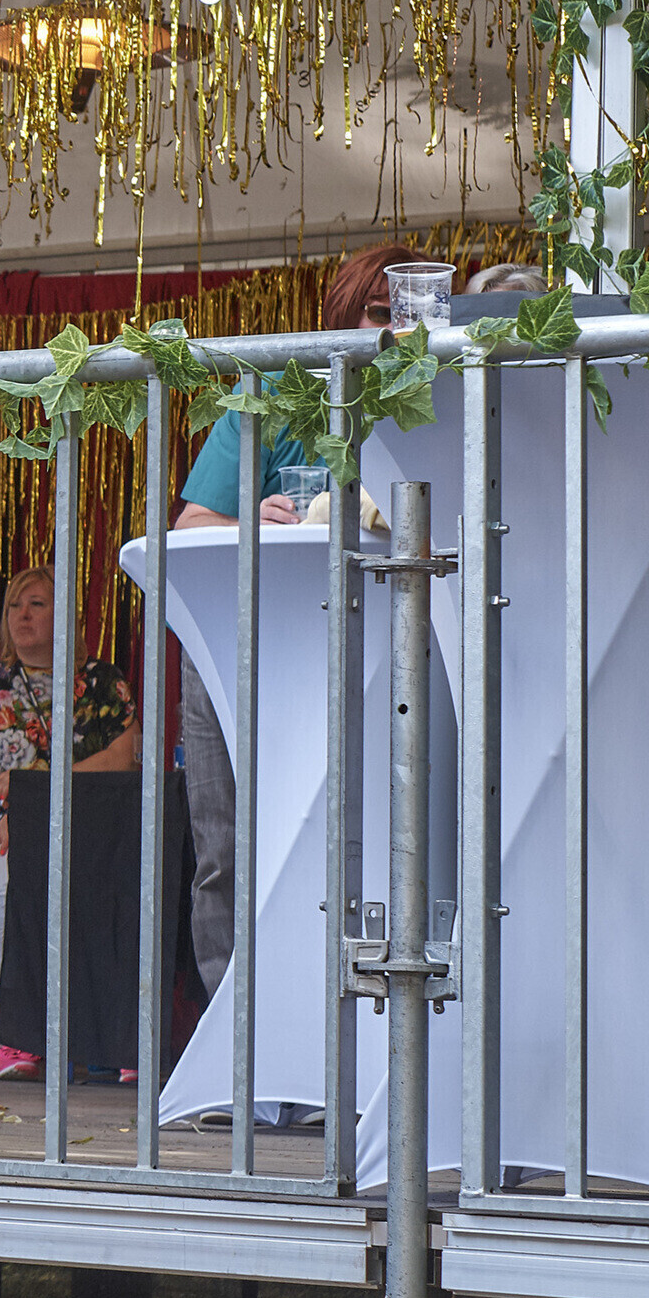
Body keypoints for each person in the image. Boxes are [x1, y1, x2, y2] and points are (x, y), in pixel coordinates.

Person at [165, 244, 416, 998]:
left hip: (374, 649)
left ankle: (353, 1034)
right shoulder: (277, 387)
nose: (396, 331)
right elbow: (190, 524)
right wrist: (258, 519)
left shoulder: (434, 393)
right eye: (380, 313)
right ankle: (236, 1036)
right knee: (228, 849)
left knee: (369, 843)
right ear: (340, 314)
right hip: (244, 644)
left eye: (412, 315)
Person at [0, 564, 139, 1077]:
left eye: (37, 604)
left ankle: (119, 1042)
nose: (22, 615)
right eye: (14, 606)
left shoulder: (102, 683)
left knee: (120, 883)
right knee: (19, 878)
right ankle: (19, 1035)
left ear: (66, 614)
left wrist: (38, 802)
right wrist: (12, 817)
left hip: (86, 834)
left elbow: (122, 759)